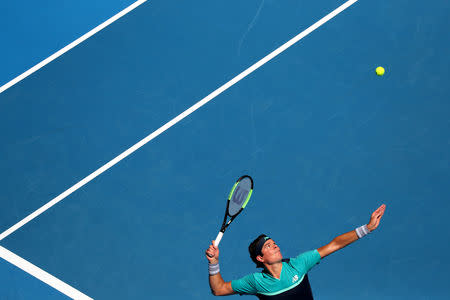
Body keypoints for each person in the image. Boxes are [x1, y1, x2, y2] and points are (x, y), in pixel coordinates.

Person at [205, 204, 386, 299]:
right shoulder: (256, 282)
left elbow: (335, 244)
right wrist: (214, 263)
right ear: (260, 258)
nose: (275, 246)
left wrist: (367, 228)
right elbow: (219, 290)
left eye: (274, 243)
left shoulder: (299, 264)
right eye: (268, 246)